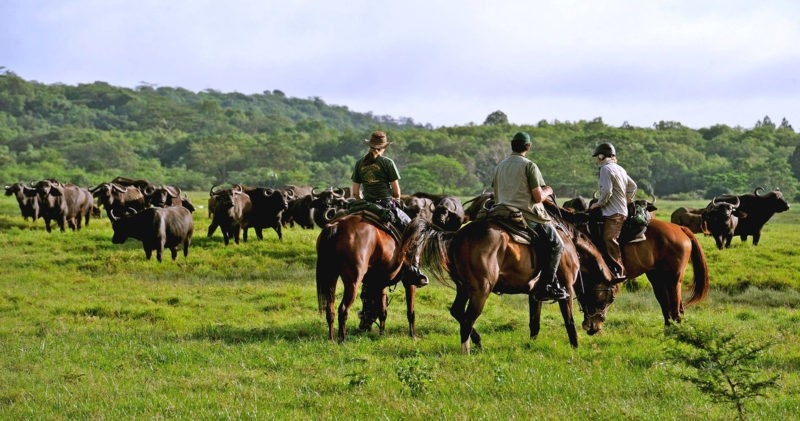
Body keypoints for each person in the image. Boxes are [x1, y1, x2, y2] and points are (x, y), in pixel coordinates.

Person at [491, 131, 570, 301]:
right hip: (527, 215)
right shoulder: (529, 165)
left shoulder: (500, 166)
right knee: (557, 244)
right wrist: (548, 190)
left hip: (501, 212)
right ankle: (547, 286)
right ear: (528, 147)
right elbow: (538, 197)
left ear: (512, 145)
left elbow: (495, 191)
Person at [351, 130, 428, 287]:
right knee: (412, 231)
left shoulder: (360, 163)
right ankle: (414, 270)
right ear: (384, 147)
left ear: (370, 145)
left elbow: (355, 192)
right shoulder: (387, 162)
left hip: (365, 205)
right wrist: (396, 200)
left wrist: (364, 202)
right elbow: (396, 192)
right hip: (385, 205)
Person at [588, 142, 637, 281]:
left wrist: (598, 203)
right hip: (620, 210)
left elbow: (607, 191)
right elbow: (633, 187)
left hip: (613, 212)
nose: (596, 159)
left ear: (602, 156)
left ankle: (618, 270)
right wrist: (627, 200)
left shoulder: (605, 169)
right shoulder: (620, 169)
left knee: (609, 238)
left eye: (597, 156)